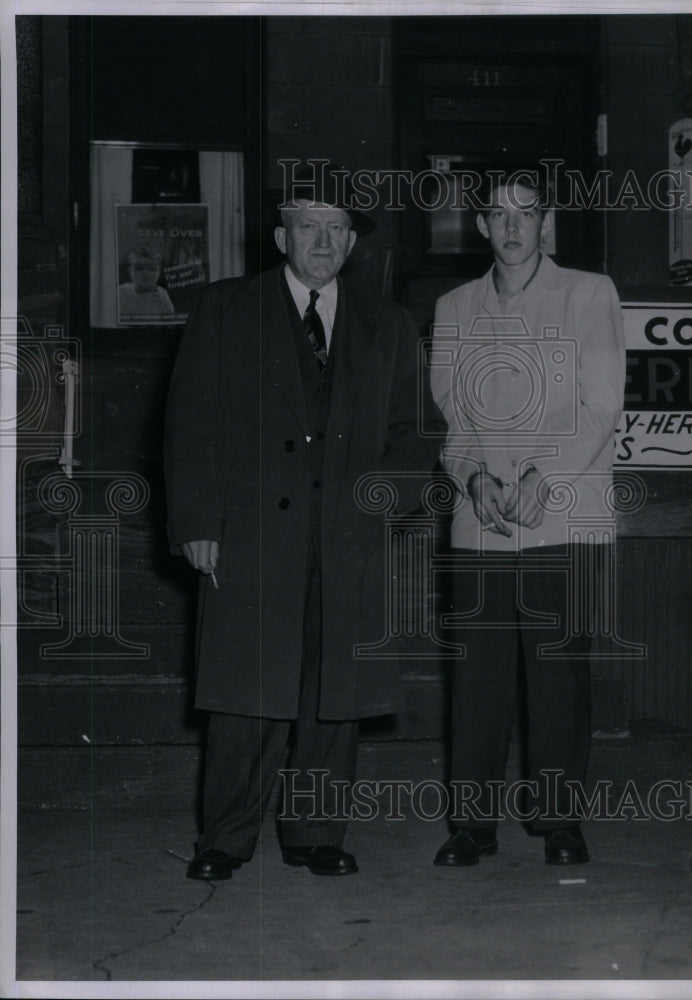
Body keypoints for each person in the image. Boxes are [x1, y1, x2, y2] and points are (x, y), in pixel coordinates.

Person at [164, 163, 445, 879]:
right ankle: (224, 839)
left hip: (346, 539)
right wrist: (198, 520)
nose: (322, 240)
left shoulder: (386, 322)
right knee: (246, 696)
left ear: (351, 245)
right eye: (308, 225)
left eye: (337, 229)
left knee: (333, 694)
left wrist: (381, 500)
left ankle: (315, 835)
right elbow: (188, 425)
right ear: (281, 234)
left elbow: (417, 430)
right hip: (250, 535)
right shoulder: (224, 309)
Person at [429, 169, 625, 867]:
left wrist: (544, 473)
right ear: (479, 225)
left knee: (556, 676)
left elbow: (600, 405)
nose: (511, 227)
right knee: (477, 679)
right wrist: (472, 475)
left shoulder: (587, 292)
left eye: (526, 213)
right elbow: (451, 421)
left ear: (546, 223)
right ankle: (471, 825)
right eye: (497, 214)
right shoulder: (454, 306)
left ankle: (559, 822)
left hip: (563, 512)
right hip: (482, 519)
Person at [118, 244, 175, 320]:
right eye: (138, 268)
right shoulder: (121, 292)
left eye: (151, 269)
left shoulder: (162, 294)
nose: (145, 274)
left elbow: (171, 320)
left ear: (159, 271)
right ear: (129, 271)